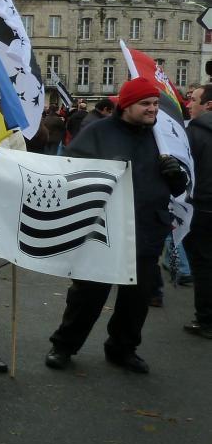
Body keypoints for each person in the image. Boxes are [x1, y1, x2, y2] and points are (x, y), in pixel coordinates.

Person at [45, 78, 188, 374]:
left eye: (155, 104)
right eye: (145, 104)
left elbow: (179, 188)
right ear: (126, 105)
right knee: (88, 294)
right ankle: (64, 345)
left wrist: (175, 175)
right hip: (104, 230)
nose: (152, 110)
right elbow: (71, 171)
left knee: (136, 300)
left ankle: (123, 348)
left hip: (148, 230)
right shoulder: (98, 132)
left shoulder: (162, 137)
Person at [183, 83, 212, 339]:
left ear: (208, 105)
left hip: (203, 207)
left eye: (193, 100)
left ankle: (206, 320)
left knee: (203, 265)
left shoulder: (194, 133)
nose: (189, 104)